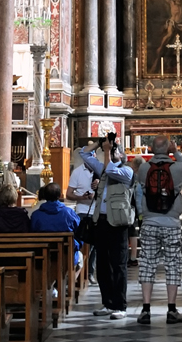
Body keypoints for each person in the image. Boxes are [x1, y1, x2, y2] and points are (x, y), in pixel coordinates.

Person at [134, 142, 182, 325]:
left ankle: (145, 310)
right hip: (171, 222)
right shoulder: (177, 168)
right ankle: (172, 309)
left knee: (147, 264)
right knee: (173, 265)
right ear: (169, 149)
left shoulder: (143, 168)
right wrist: (177, 152)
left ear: (151, 149)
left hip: (149, 222)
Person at [80, 134, 135, 319]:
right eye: (111, 149)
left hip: (118, 223)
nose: (112, 151)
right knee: (103, 265)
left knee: (118, 265)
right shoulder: (104, 167)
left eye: (115, 150)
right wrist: (99, 142)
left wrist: (107, 152)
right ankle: (107, 303)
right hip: (101, 221)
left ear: (122, 155)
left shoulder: (127, 172)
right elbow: (84, 154)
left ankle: (120, 305)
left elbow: (111, 170)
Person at [31, 180, 81, 264]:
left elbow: (31, 233)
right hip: (66, 255)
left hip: (42, 256)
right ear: (60, 195)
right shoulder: (69, 213)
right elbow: (78, 232)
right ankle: (69, 277)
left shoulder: (36, 215)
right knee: (81, 258)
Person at [66, 150, 98, 280]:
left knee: (95, 243)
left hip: (97, 211)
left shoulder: (101, 169)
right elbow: (68, 194)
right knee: (83, 242)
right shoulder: (77, 172)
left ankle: (90, 272)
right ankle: (81, 271)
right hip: (83, 211)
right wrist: (81, 197)